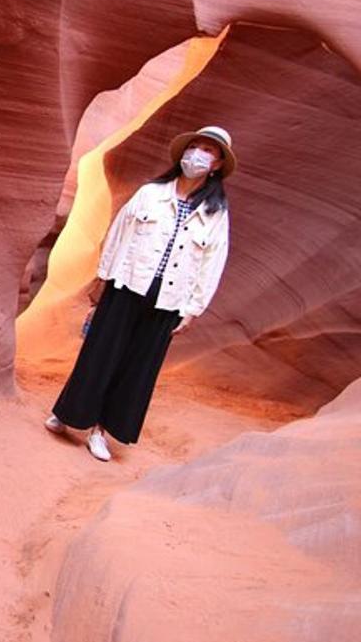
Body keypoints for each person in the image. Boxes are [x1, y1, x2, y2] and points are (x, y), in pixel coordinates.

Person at [45, 126, 235, 462]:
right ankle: (69, 413)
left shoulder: (215, 214)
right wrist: (102, 277)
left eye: (208, 150)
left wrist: (193, 309)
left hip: (169, 300)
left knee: (138, 366)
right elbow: (119, 233)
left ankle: (101, 431)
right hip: (128, 283)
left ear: (217, 164)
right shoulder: (151, 194)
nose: (198, 154)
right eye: (194, 146)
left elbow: (213, 261)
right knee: (99, 351)